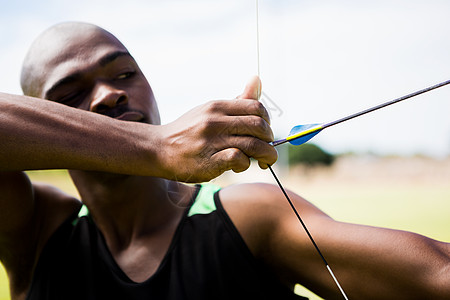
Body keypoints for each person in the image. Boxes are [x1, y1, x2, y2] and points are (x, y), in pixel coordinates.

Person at [0, 22, 448, 300]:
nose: (110, 93)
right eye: (70, 94)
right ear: (43, 119)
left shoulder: (248, 217)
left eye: (123, 74)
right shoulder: (37, 230)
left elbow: (436, 275)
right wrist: (157, 147)